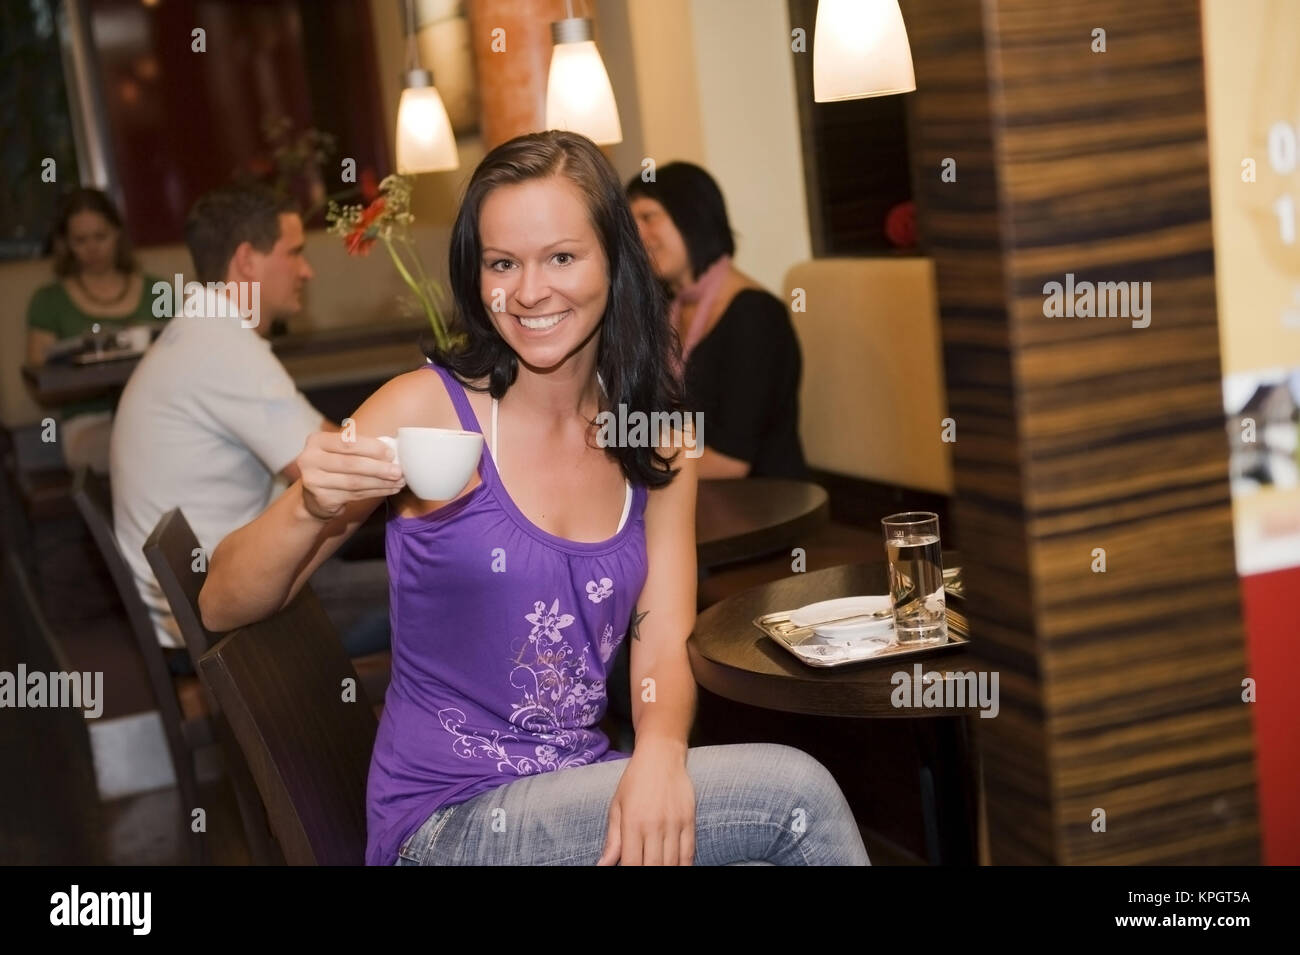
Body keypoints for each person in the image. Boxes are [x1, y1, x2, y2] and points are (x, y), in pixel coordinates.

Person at [199, 131, 869, 866]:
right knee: (797, 797)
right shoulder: (422, 411)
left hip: (581, 785)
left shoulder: (655, 443)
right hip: (445, 822)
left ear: (616, 260)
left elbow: (661, 645)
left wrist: (661, 750)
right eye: (502, 263)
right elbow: (219, 604)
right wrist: (309, 504)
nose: (528, 291)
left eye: (561, 257)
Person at [110, 183, 388, 672]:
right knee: (450, 591)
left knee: (420, 572)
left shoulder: (201, 330)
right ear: (247, 261)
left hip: (197, 595)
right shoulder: (221, 346)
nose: (307, 270)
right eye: (295, 253)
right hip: (216, 624)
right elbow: (342, 470)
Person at [627, 162, 807, 480]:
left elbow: (731, 461)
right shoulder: (665, 307)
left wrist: (624, 470)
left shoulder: (756, 316)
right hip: (695, 495)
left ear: (693, 219)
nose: (638, 236)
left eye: (649, 217)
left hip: (765, 503)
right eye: (632, 223)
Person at [25, 188, 166, 474]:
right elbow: (41, 387)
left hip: (158, 415)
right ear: (66, 245)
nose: (92, 249)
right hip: (89, 424)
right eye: (80, 240)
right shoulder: (49, 300)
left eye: (100, 237)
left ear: (118, 234)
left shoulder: (156, 291)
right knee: (145, 449)